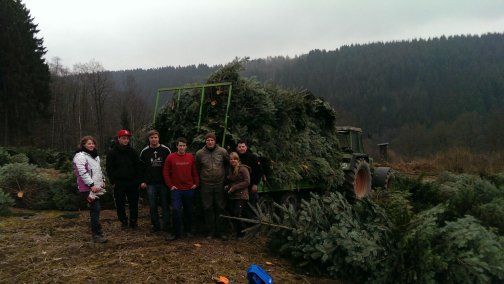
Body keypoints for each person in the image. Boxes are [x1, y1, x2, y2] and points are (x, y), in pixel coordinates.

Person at [72, 136, 107, 243]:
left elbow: (98, 170)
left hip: (96, 187)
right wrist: (91, 184)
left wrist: (103, 180)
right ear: (83, 145)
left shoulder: (95, 156)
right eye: (89, 144)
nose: (91, 145)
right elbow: (82, 172)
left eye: (92, 143)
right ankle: (96, 234)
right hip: (87, 188)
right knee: (95, 209)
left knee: (96, 209)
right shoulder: (80, 156)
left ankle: (97, 232)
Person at [163, 137, 199, 240]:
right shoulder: (170, 157)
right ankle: (176, 233)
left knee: (189, 210)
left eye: (183, 145)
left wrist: (196, 183)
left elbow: (194, 171)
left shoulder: (190, 157)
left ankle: (188, 231)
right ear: (177, 146)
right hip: (176, 190)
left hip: (189, 189)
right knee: (176, 210)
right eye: (180, 145)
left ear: (186, 146)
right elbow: (165, 173)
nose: (182, 147)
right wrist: (170, 185)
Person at [195, 132, 230, 240]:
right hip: (206, 185)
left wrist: (227, 180)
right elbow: (197, 168)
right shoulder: (200, 153)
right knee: (207, 207)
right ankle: (211, 231)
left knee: (220, 207)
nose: (210, 142)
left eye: (212, 140)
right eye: (208, 140)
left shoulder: (222, 152)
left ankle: (221, 232)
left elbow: (228, 165)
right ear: (205, 141)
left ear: (215, 141)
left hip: (219, 184)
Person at [106, 129, 141, 230]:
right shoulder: (112, 153)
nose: (126, 140)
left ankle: (133, 221)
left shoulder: (133, 152)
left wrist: (137, 180)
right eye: (123, 138)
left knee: (133, 203)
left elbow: (138, 166)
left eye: (127, 138)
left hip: (132, 182)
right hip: (119, 183)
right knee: (120, 204)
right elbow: (109, 168)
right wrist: (113, 182)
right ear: (119, 139)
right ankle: (124, 221)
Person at [139, 130, 171, 233]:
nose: (154, 139)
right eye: (152, 138)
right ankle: (155, 226)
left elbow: (170, 166)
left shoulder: (165, 150)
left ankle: (166, 225)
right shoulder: (144, 151)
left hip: (163, 182)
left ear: (159, 138)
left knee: (165, 204)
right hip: (150, 183)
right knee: (152, 206)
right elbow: (141, 168)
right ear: (149, 139)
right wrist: (142, 181)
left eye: (156, 137)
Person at [225, 152, 250, 239]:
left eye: (235, 159)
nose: (233, 161)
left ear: (238, 160)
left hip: (242, 195)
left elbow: (247, 182)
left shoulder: (243, 169)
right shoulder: (230, 169)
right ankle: (238, 232)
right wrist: (228, 186)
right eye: (231, 159)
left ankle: (242, 233)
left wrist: (235, 187)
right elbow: (232, 181)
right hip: (233, 195)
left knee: (237, 213)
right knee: (233, 214)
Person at [236, 140, 263, 209]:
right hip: (239, 185)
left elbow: (259, 171)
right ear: (237, 148)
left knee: (252, 204)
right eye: (240, 147)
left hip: (250, 185)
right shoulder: (235, 157)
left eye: (243, 146)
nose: (241, 148)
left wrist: (255, 184)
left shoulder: (253, 157)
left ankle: (254, 218)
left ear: (246, 147)